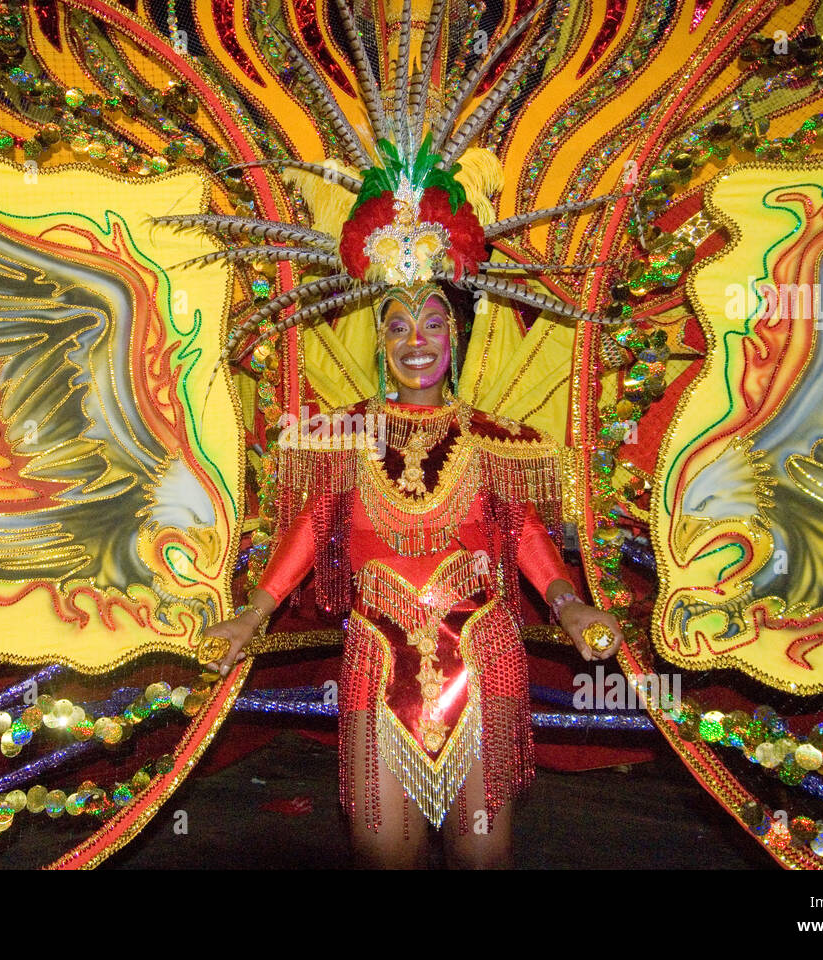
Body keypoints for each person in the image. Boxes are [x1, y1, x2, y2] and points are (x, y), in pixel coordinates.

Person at [202, 281, 625, 869]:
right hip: (377, 658)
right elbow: (309, 527)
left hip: (482, 658)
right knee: (383, 852)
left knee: (482, 854)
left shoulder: (491, 438)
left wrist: (569, 604)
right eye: (398, 327)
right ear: (381, 344)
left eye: (432, 324)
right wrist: (252, 617)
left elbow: (527, 535)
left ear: (456, 338)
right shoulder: (342, 436)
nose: (415, 341)